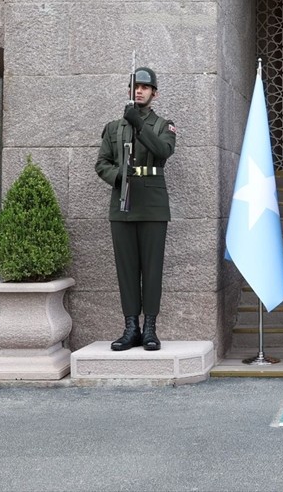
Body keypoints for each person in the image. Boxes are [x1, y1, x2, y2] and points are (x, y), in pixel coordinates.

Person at [94, 66, 176, 352]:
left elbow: (163, 152)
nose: (139, 90)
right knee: (126, 269)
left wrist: (139, 125)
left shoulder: (163, 125)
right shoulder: (114, 127)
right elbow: (102, 162)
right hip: (123, 204)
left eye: (145, 87)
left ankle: (151, 328)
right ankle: (131, 327)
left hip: (153, 205)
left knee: (152, 269)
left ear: (154, 93)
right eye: (135, 86)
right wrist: (118, 176)